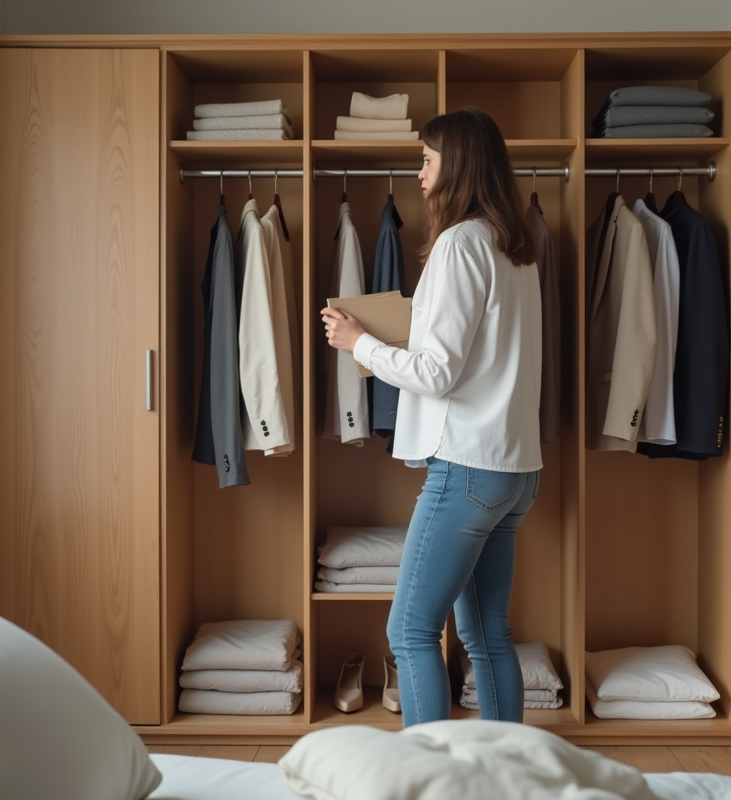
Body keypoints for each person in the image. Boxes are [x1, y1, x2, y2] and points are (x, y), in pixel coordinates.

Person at [321, 108, 543, 726]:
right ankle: (500, 778)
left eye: (426, 159)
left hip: (467, 469)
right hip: (515, 470)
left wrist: (359, 344)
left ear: (459, 166)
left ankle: (429, 783)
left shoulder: (458, 244)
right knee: (486, 635)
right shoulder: (516, 250)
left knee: (410, 630)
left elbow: (437, 372)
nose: (418, 174)